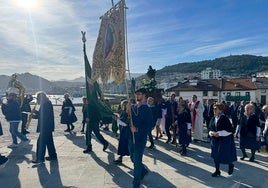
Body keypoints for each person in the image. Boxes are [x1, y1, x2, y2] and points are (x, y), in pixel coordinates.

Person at [128, 88, 153, 188]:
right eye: (136, 94)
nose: (137, 96)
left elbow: (149, 125)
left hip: (140, 139)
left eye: (139, 94)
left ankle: (136, 183)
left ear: (144, 95)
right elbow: (128, 120)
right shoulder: (133, 107)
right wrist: (127, 111)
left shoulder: (147, 109)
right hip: (131, 137)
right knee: (132, 158)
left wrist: (137, 129)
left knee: (137, 162)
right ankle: (143, 171)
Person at [208, 102, 237, 177]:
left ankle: (230, 165)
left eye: (215, 109)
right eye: (213, 108)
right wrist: (211, 133)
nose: (214, 110)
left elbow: (230, 130)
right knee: (215, 155)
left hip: (224, 140)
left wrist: (219, 133)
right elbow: (210, 128)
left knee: (225, 155)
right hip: (215, 140)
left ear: (220, 110)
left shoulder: (224, 118)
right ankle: (217, 170)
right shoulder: (213, 118)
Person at [31, 91, 57, 163]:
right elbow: (43, 115)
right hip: (48, 126)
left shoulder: (45, 105)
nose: (37, 100)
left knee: (40, 143)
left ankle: (40, 158)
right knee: (49, 142)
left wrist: (35, 112)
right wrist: (34, 116)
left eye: (37, 98)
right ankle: (53, 156)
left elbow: (43, 115)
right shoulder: (47, 103)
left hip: (45, 126)